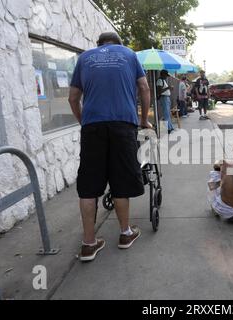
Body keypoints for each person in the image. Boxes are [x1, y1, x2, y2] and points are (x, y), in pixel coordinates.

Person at [68, 32, 152, 262]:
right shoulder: (129, 54)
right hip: (123, 124)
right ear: (118, 44)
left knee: (88, 184)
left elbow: (73, 98)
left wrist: (84, 121)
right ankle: (125, 234)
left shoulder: (85, 58)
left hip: (92, 126)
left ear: (99, 45)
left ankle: (88, 244)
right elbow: (144, 88)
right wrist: (144, 120)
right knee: (121, 180)